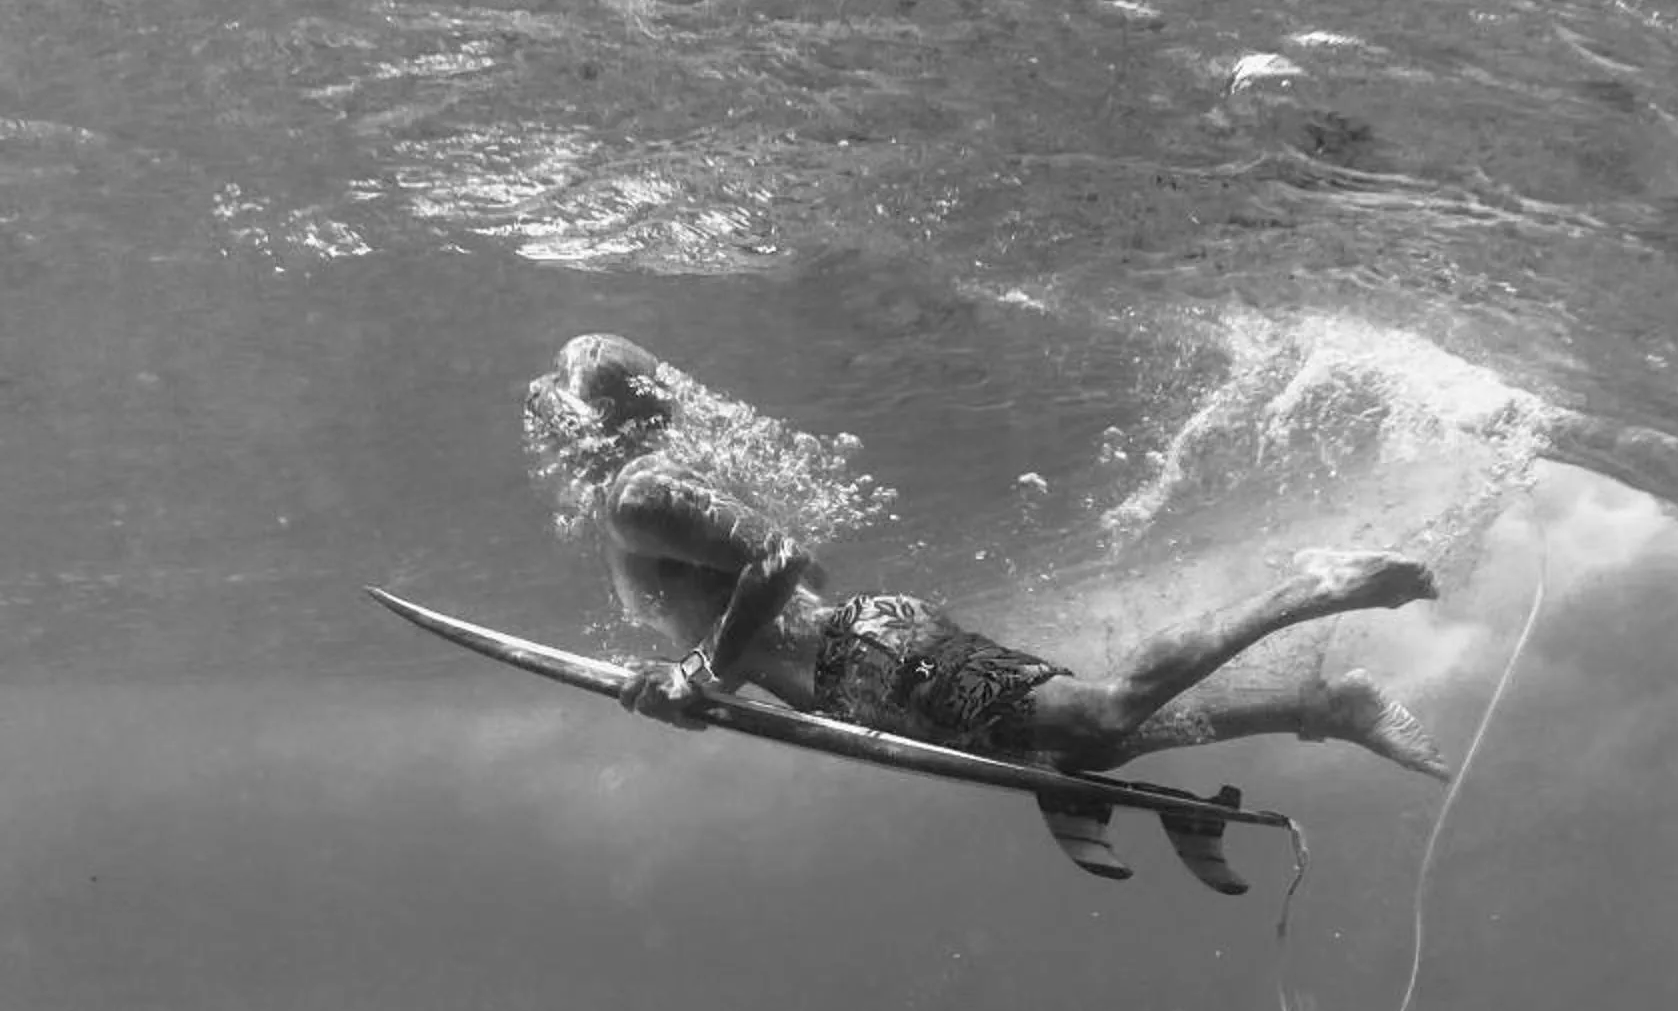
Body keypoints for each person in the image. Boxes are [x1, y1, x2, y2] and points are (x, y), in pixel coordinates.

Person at [530, 332, 1447, 783]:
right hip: (854, 670)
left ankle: (1320, 587)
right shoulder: (645, 492)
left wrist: (700, 671)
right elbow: (776, 587)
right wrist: (695, 683)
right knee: (1094, 747)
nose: (549, 437)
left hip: (867, 657)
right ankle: (1322, 704)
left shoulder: (637, 495)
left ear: (588, 420)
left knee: (1102, 713)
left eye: (554, 415)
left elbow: (784, 557)